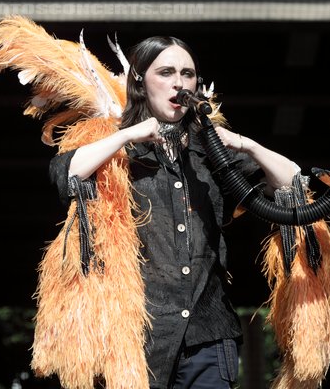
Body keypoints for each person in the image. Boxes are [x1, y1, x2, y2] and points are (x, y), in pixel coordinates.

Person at [48, 35, 298, 388]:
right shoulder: (113, 143)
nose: (179, 83)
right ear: (139, 79)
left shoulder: (210, 147)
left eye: (188, 73)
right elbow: (67, 172)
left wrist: (246, 144)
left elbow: (293, 181)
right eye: (165, 72)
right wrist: (130, 134)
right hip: (137, 335)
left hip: (208, 333)